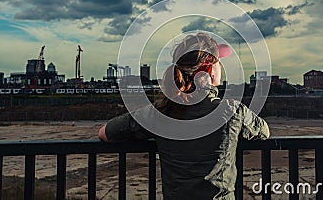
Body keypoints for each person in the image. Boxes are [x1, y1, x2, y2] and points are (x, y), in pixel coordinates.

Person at [99, 32, 270, 199]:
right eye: (219, 63)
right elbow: (263, 131)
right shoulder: (231, 111)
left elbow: (106, 133)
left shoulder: (160, 113)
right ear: (210, 69)